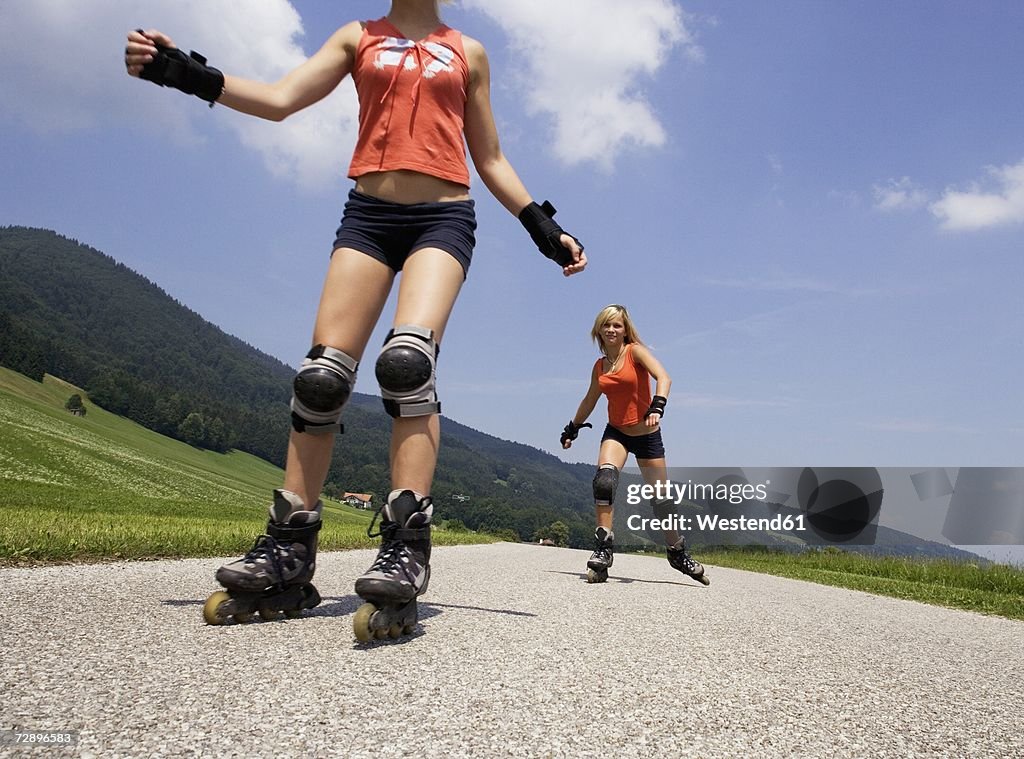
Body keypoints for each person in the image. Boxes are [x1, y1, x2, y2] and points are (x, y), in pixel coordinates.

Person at [125, 0, 586, 638]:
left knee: (406, 365)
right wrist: (184, 72)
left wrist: (544, 228)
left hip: (442, 218)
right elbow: (283, 98)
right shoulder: (357, 38)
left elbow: (491, 158)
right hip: (368, 216)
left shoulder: (469, 51)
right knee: (320, 378)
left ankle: (406, 548)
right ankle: (289, 545)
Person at [560, 305, 709, 585]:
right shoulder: (600, 366)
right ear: (599, 330)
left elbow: (664, 377)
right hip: (616, 432)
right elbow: (590, 399)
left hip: (647, 434)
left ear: (625, 330)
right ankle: (603, 549)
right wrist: (573, 428)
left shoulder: (636, 352)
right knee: (604, 481)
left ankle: (677, 552)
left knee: (662, 502)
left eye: (617, 325)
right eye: (607, 325)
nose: (612, 330)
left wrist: (658, 406)